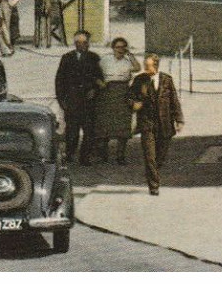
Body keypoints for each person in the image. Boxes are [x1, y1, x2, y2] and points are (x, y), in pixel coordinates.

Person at [128, 53, 183, 194]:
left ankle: (152, 172)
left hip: (164, 124)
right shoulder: (139, 80)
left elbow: (174, 101)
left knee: (160, 156)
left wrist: (179, 119)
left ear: (156, 66)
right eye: (145, 66)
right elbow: (130, 97)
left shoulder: (167, 80)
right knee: (149, 156)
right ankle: (154, 186)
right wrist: (134, 104)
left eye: (148, 66)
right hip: (147, 123)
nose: (145, 69)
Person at [55, 30, 104, 164]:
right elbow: (60, 81)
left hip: (88, 101)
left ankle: (85, 157)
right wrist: (62, 101)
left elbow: (99, 78)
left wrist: (94, 89)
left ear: (88, 44)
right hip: (72, 101)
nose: (81, 45)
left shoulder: (94, 58)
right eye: (78, 42)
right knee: (72, 131)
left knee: (89, 131)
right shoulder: (67, 58)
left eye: (84, 42)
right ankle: (70, 154)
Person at [96, 36, 141, 164]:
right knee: (105, 126)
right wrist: (99, 82)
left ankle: (120, 156)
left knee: (122, 127)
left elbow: (138, 68)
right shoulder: (105, 60)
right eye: (118, 47)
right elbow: (95, 73)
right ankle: (103, 156)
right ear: (113, 48)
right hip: (107, 93)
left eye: (123, 47)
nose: (120, 50)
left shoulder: (128, 62)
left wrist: (130, 55)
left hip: (122, 93)